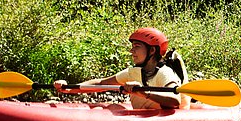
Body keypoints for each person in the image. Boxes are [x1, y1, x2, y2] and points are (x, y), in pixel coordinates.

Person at [55, 27, 186, 109]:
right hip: (142, 118)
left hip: (163, 120)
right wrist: (69, 88)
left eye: (137, 47)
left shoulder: (165, 73)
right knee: (112, 107)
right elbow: (101, 83)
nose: (131, 51)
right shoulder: (133, 73)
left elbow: (174, 101)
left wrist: (143, 92)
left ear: (152, 50)